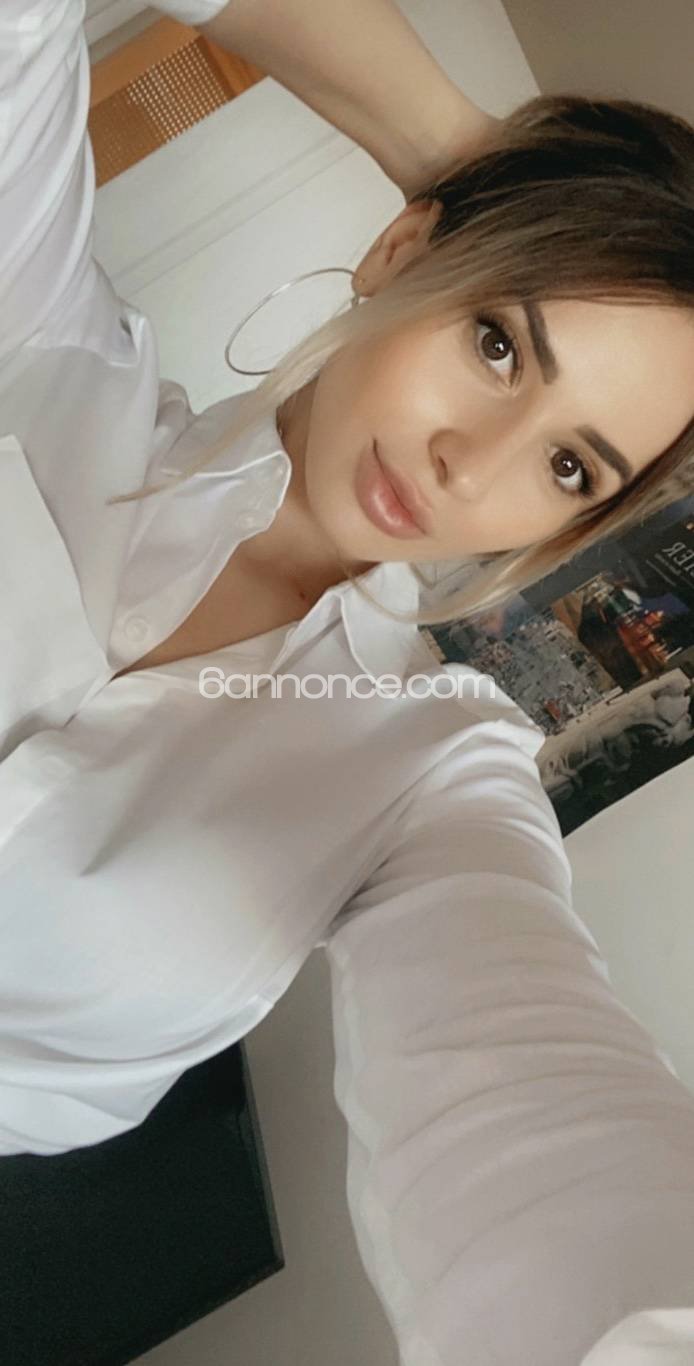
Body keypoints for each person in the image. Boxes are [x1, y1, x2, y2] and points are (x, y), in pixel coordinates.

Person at [1, 2, 694, 1363]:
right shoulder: (44, 357)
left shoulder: (430, 779)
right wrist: (462, 149)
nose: (468, 465)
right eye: (498, 342)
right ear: (399, 252)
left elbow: (532, 1122)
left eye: (568, 466)